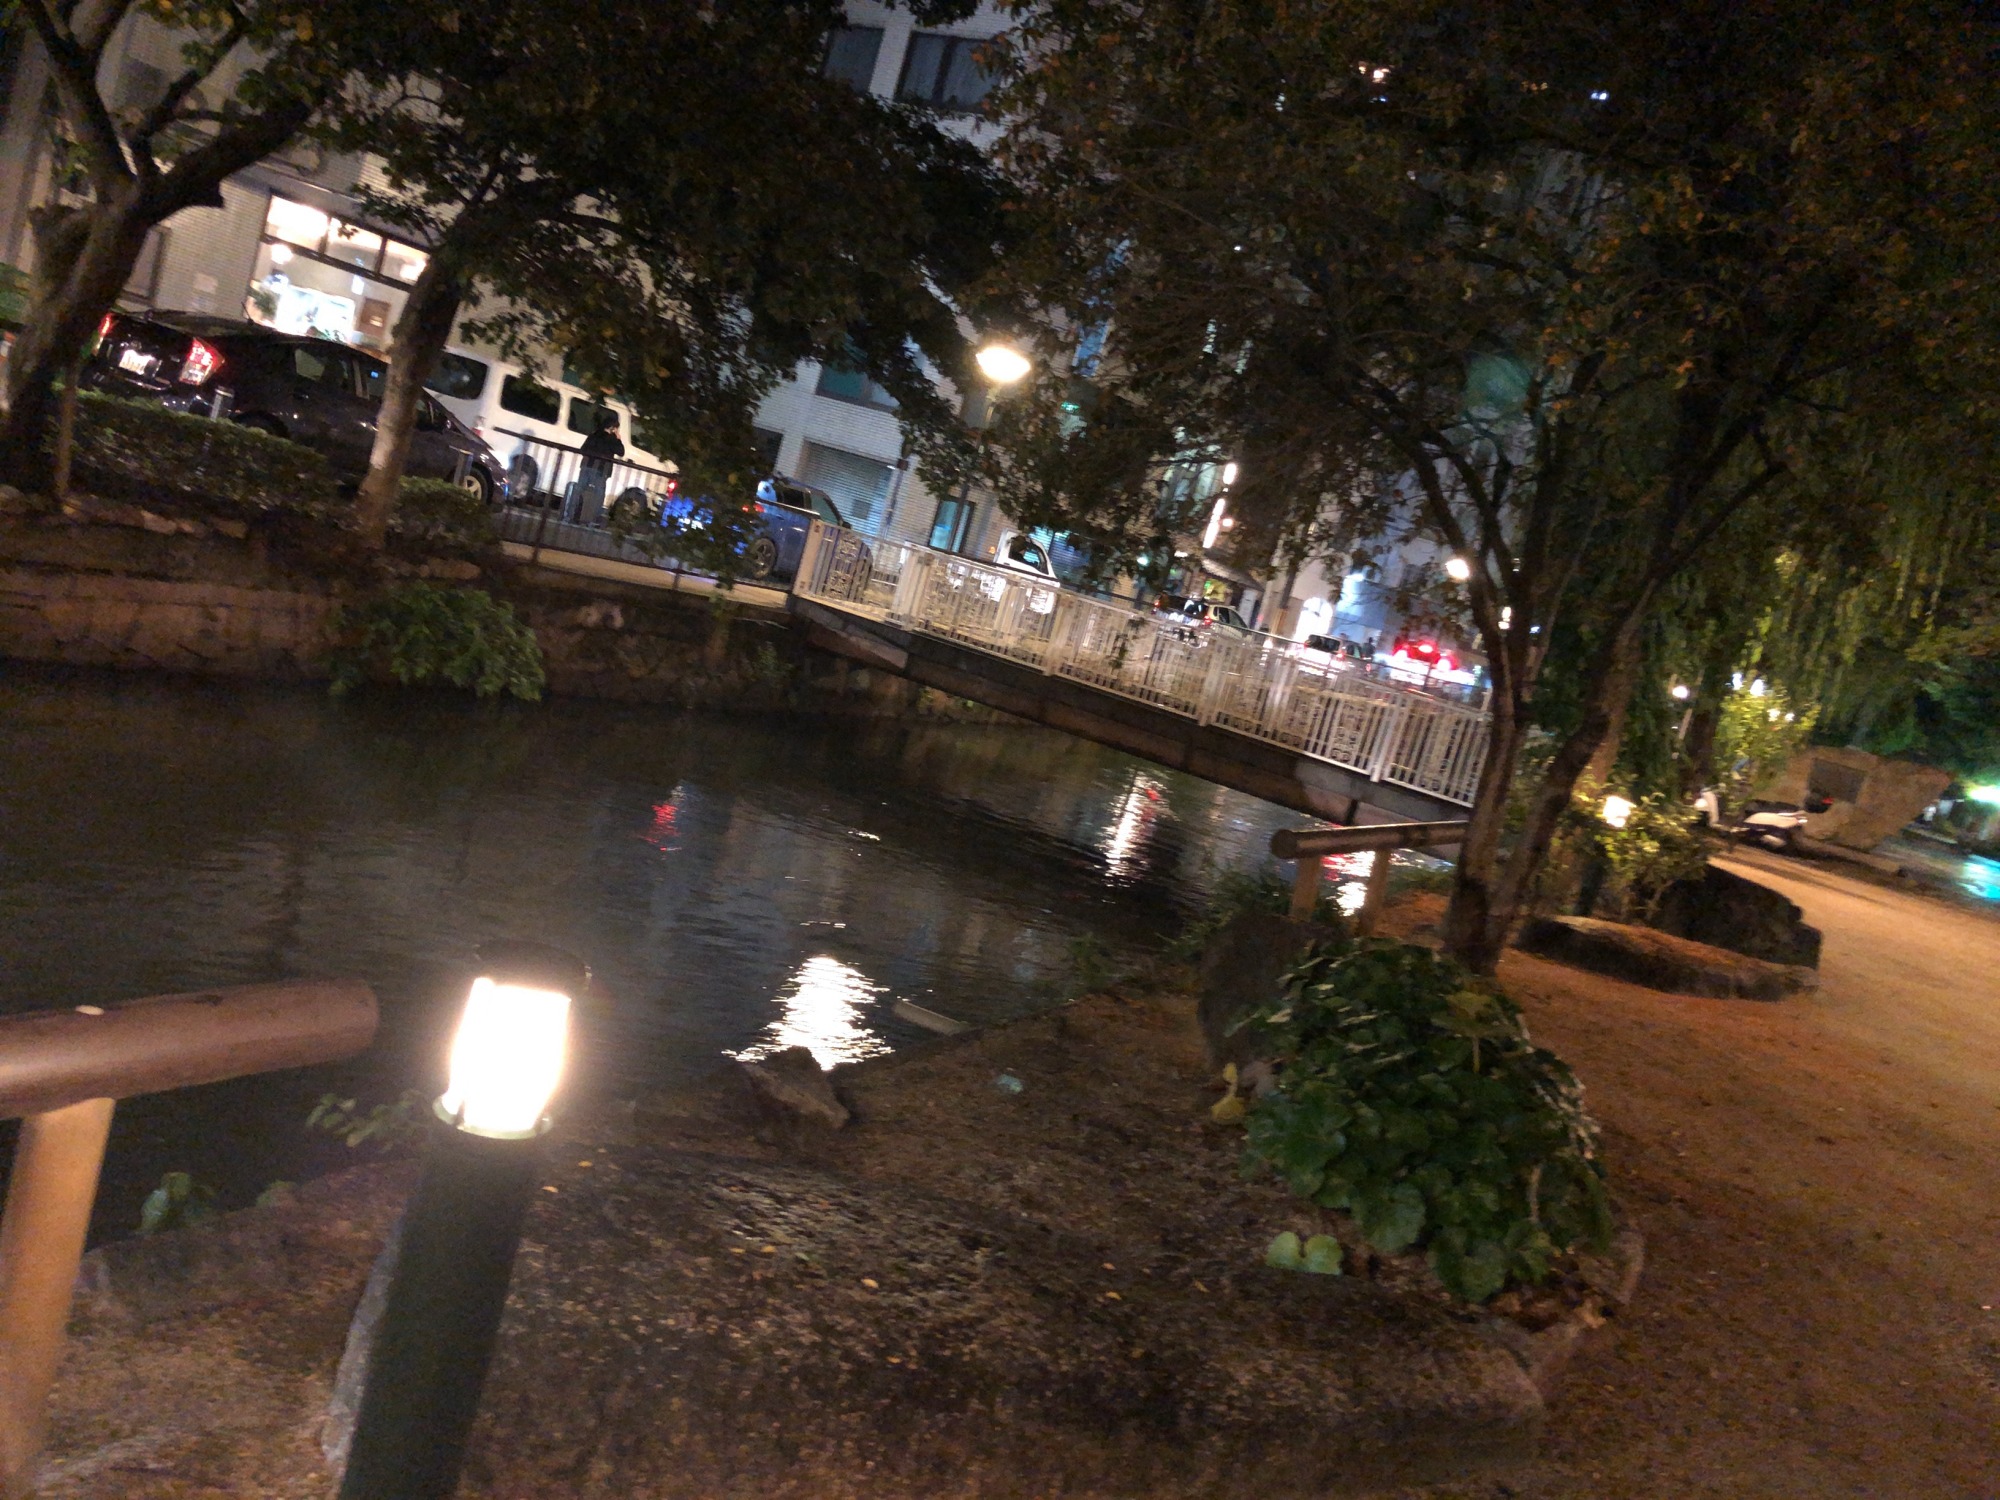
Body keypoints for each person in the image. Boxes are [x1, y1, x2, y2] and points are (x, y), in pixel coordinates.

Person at [573, 412, 625, 525]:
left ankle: (573, 515)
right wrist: (618, 439)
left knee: (579, 491)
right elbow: (621, 452)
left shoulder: (594, 434)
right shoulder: (611, 439)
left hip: (587, 466)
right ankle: (594, 520)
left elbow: (583, 449)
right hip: (601, 470)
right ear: (612, 428)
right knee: (599, 495)